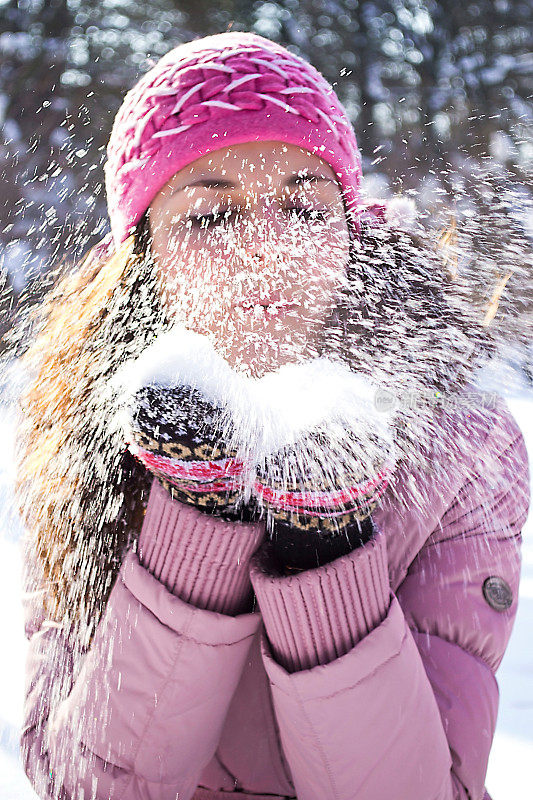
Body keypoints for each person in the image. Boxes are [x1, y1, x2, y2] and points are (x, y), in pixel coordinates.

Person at [15, 30, 530, 800]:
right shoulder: (82, 432)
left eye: (301, 206)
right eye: (211, 217)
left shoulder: (461, 446)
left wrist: (328, 553)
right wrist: (193, 522)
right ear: (144, 254)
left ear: (349, 232)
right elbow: (86, 785)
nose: (267, 247)